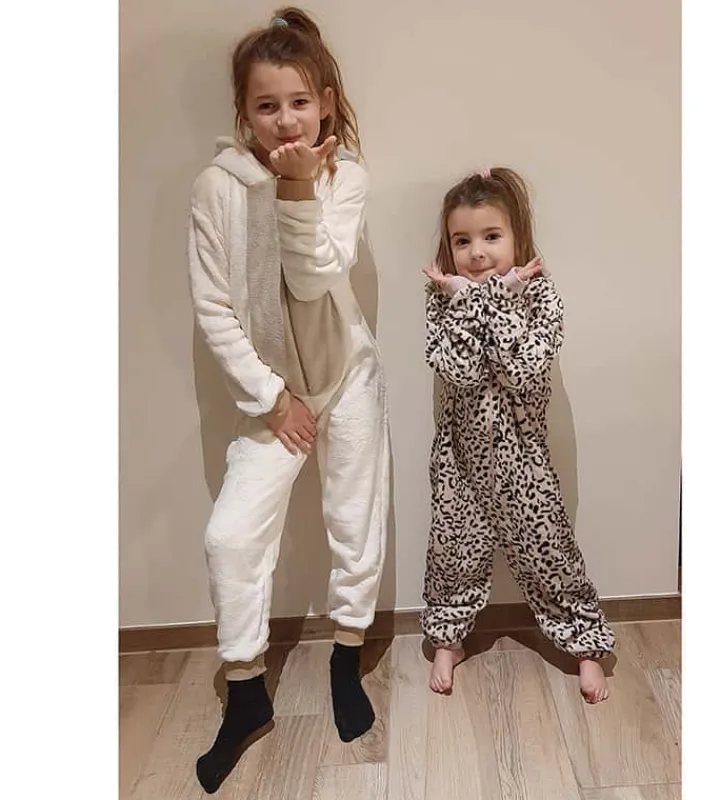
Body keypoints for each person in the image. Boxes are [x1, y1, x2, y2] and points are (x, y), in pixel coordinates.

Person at [187, 7, 389, 793]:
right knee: (230, 537)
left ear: (326, 104)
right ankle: (245, 693)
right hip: (274, 390)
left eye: (300, 102)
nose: (285, 119)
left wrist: (301, 188)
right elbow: (214, 309)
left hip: (347, 372)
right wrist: (273, 401)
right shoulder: (217, 188)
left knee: (354, 518)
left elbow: (314, 279)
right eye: (267, 105)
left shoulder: (346, 178)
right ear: (244, 111)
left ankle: (346, 658)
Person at [420, 167, 615, 703]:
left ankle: (585, 647)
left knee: (551, 553)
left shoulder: (541, 296)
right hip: (460, 458)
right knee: (453, 552)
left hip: (523, 458)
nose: (477, 253)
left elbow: (521, 370)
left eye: (491, 236)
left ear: (517, 237)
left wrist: (500, 301)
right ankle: (448, 640)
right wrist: (464, 300)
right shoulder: (443, 297)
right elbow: (458, 370)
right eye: (462, 241)